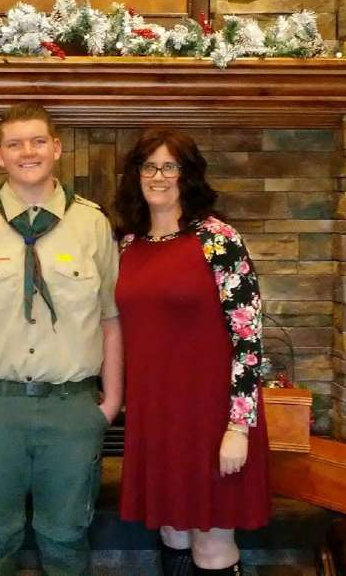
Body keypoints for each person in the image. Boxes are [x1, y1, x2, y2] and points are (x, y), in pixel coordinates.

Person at [0, 101, 123, 576]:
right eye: (15, 144)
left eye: (38, 141)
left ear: (57, 148)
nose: (27, 152)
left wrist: (112, 401)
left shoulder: (93, 224)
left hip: (71, 408)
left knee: (66, 538)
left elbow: (111, 318)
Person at [113, 129, 271, 576]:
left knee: (211, 544)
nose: (158, 176)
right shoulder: (128, 244)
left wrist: (239, 426)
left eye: (170, 166)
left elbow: (249, 339)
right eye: (149, 166)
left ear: (189, 175)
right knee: (171, 534)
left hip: (212, 420)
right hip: (156, 417)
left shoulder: (218, 240)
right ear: (136, 175)